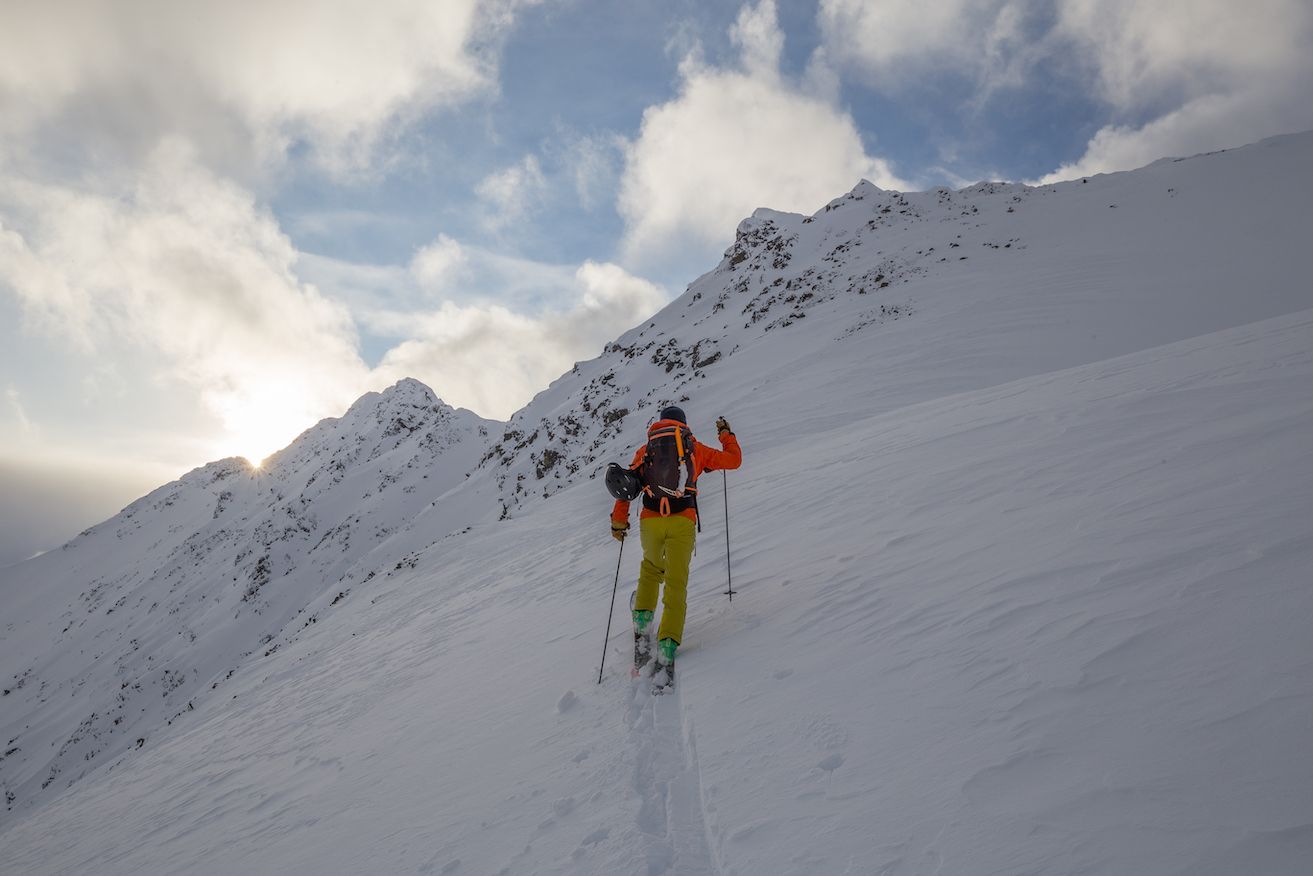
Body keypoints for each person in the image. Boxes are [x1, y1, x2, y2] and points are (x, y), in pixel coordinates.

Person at [610, 406, 742, 678]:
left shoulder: (645, 450)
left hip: (651, 519)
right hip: (682, 520)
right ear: (683, 424)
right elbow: (733, 461)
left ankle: (643, 621)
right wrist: (726, 435)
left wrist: (619, 521)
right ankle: (668, 643)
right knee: (676, 580)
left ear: (660, 424)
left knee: (650, 569)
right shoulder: (694, 447)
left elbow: (628, 486)